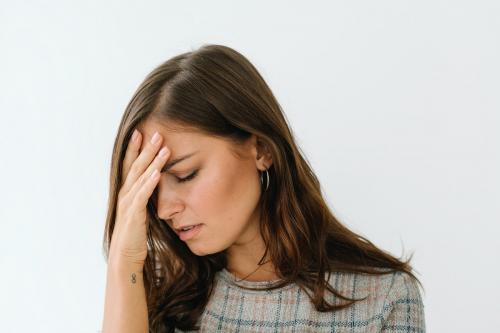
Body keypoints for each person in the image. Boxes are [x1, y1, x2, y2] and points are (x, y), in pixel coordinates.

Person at [101, 44, 426, 333]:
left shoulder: (384, 299)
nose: (163, 209)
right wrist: (124, 263)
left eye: (185, 174)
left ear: (261, 150)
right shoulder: (159, 303)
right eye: (151, 189)